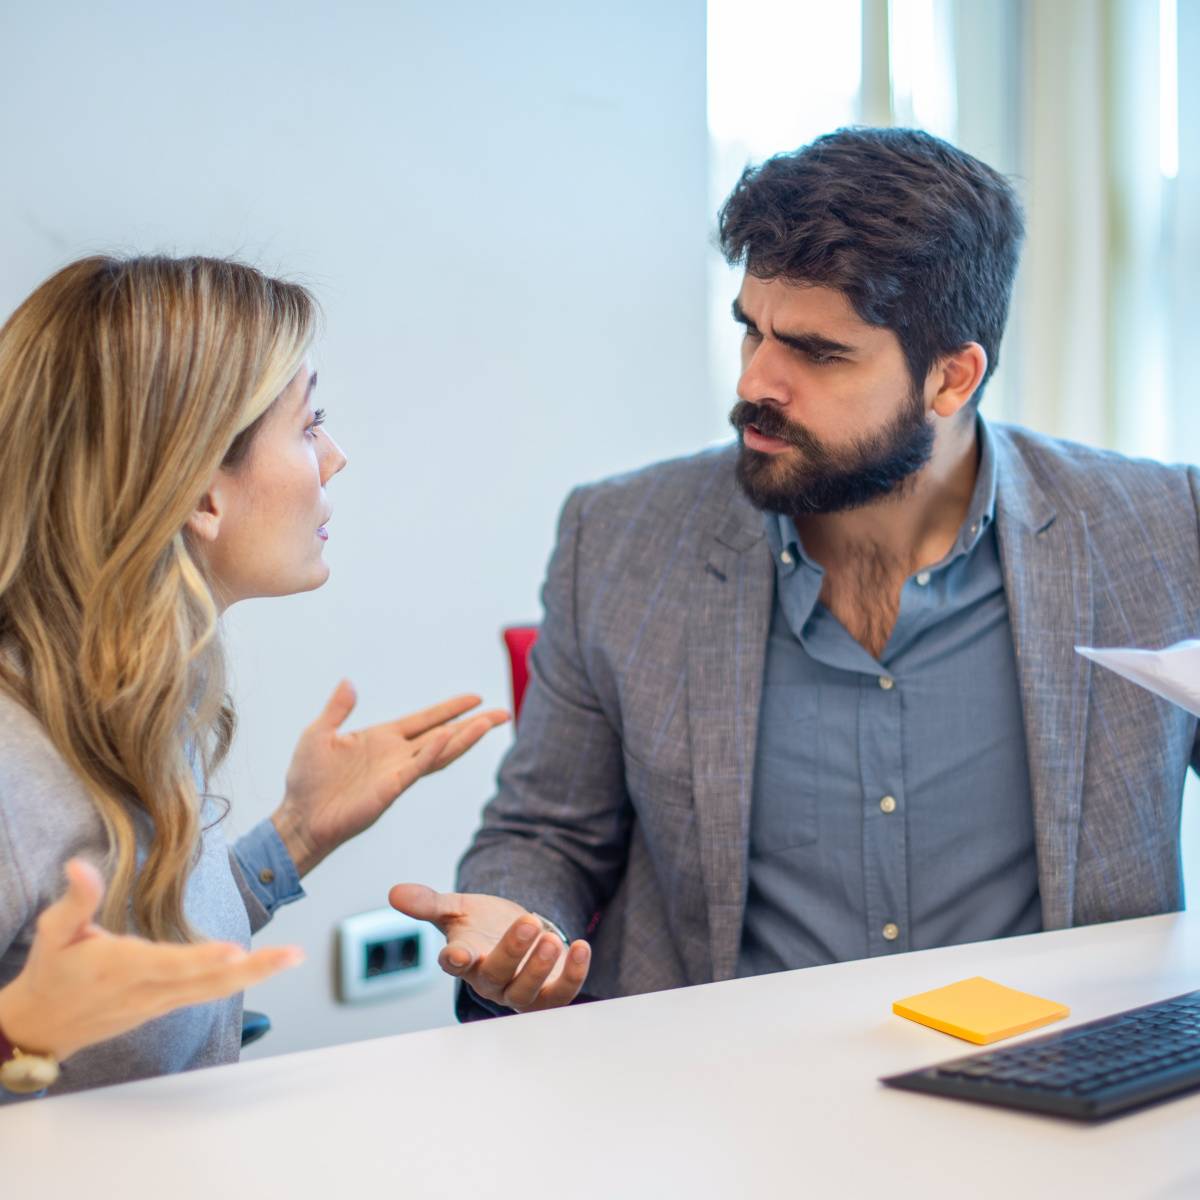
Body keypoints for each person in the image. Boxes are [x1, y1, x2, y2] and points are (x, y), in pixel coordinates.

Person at [390, 126, 1200, 1018]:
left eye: (817, 352)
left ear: (951, 379)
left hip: (1064, 1090)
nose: (757, 381)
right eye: (751, 331)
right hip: (723, 1109)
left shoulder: (1160, 531)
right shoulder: (618, 539)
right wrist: (520, 930)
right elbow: (546, 835)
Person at [0, 255, 507, 1098]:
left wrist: (299, 835)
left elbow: (148, 941)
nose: (335, 458)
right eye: (310, 426)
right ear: (201, 491)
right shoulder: (15, 756)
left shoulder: (130, 694)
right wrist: (19, 1039)